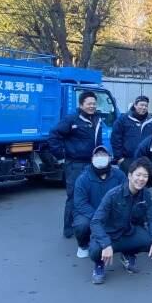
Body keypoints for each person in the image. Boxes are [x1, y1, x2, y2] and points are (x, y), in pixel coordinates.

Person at [88, 158, 152, 284]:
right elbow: (95, 222)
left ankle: (127, 254)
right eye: (138, 175)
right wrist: (105, 244)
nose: (141, 179)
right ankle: (99, 264)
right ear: (129, 175)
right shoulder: (113, 195)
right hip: (109, 234)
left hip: (128, 232)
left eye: (145, 176)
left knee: (151, 242)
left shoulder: (146, 195)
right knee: (95, 251)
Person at [49, 91, 103, 239]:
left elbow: (98, 142)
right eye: (89, 103)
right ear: (81, 105)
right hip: (75, 165)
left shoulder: (97, 119)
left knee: (93, 195)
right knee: (74, 196)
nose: (92, 106)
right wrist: (61, 155)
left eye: (94, 103)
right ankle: (68, 228)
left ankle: (89, 226)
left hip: (93, 164)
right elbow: (54, 135)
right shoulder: (71, 119)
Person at [72, 146, 126, 257]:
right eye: (97, 155)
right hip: (90, 213)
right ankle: (83, 245)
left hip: (113, 212)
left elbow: (125, 195)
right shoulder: (83, 178)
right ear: (92, 159)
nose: (100, 157)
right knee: (81, 224)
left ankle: (125, 248)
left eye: (103, 155)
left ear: (110, 158)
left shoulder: (119, 175)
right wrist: (98, 216)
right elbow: (80, 203)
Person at [110, 95, 152, 173]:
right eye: (141, 105)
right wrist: (119, 158)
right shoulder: (123, 120)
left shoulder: (151, 122)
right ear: (135, 105)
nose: (144, 107)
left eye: (146, 106)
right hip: (127, 160)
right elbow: (115, 139)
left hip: (145, 161)